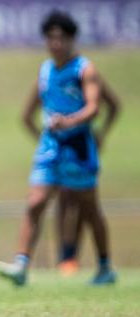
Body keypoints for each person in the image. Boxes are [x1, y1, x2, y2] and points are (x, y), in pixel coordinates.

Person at [0, 10, 116, 286]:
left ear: (72, 40)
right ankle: (21, 265)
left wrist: (69, 122)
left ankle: (105, 266)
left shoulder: (84, 69)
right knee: (35, 202)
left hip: (78, 148)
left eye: (61, 38)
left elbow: (95, 107)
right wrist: (44, 137)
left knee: (90, 208)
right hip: (51, 149)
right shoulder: (46, 70)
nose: (55, 44)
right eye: (50, 38)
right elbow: (27, 115)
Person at [56, 80, 120, 276]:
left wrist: (101, 133)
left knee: (87, 205)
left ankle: (101, 262)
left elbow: (109, 106)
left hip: (83, 149)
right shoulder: (51, 74)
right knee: (64, 200)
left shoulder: (86, 73)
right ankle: (66, 257)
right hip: (60, 149)